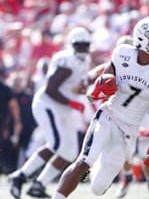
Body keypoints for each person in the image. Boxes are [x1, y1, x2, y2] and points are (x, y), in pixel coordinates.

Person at [52, 16, 149, 199]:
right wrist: (97, 91)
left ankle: (96, 170)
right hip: (108, 116)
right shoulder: (122, 54)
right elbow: (99, 90)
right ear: (143, 38)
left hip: (129, 130)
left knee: (98, 188)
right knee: (84, 161)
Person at [9, 27, 92, 199]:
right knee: (56, 144)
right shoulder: (66, 60)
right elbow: (50, 89)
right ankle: (20, 176)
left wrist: (83, 88)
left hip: (63, 106)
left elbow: (75, 84)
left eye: (85, 45)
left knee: (69, 152)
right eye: (79, 45)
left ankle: (39, 184)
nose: (83, 49)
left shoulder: (83, 61)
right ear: (72, 45)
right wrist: (73, 103)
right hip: (48, 104)